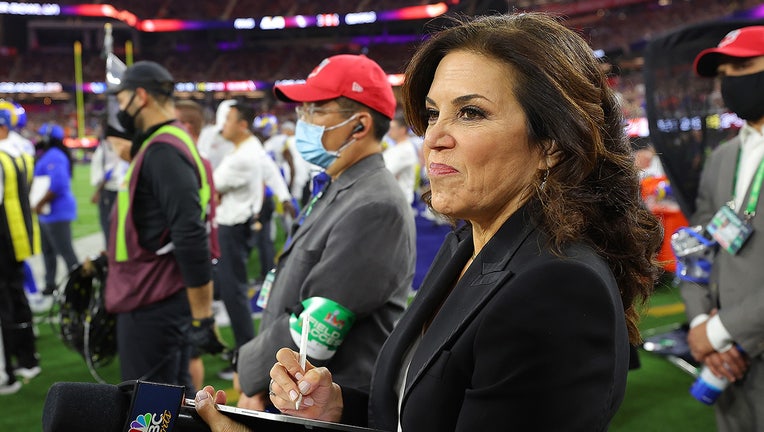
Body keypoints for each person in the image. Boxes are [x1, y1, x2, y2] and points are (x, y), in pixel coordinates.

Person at [195, 13, 662, 431]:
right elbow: (416, 408)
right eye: (434, 113)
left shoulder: (556, 285)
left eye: (471, 113)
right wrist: (338, 411)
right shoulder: (468, 242)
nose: (434, 137)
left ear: (551, 145)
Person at [230, 53, 416, 411]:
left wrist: (251, 374)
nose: (303, 120)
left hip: (324, 402)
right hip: (293, 391)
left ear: (359, 126)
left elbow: (314, 326)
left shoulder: (374, 205)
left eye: (315, 110)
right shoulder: (342, 185)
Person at [105, 61, 222, 390]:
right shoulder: (169, 142)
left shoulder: (163, 151)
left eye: (123, 97)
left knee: (149, 408)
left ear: (140, 96)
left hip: (152, 299)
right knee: (170, 399)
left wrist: (203, 315)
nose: (120, 107)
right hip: (159, 292)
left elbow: (189, 233)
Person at [681, 25, 764, 431]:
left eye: (745, 66)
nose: (731, 81)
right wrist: (700, 323)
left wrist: (722, 330)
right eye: (724, 73)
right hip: (725, 363)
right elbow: (697, 246)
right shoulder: (722, 158)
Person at [176, 98, 223, 391]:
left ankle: (191, 410)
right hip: (199, 260)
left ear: (186, 126)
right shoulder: (198, 159)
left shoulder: (186, 160)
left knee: (188, 348)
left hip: (189, 265)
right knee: (188, 345)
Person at [0, 105, 41, 394]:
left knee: (5, 303)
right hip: (19, 233)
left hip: (3, 235)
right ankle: (29, 357)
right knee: (17, 297)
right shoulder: (21, 148)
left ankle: (10, 369)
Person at [33, 123, 79, 297]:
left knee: (66, 252)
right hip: (47, 213)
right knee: (48, 252)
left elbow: (58, 184)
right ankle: (50, 284)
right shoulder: (50, 155)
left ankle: (79, 285)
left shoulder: (55, 156)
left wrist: (39, 203)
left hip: (57, 212)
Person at [90, 130, 129, 247]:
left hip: (110, 190)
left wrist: (97, 192)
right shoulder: (106, 147)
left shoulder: (109, 147)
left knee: (109, 228)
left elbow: (110, 171)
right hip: (112, 190)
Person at [382, 112, 418, 206]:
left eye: (393, 128)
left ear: (402, 130)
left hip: (400, 202)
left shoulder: (405, 150)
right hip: (391, 199)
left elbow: (385, 172)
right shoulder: (395, 147)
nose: (389, 131)